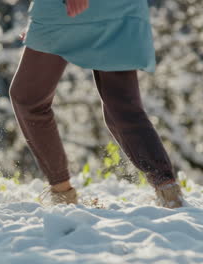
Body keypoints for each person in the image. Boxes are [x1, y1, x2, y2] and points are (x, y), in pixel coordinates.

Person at [9, 0, 183, 208]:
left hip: (73, 8)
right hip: (111, 8)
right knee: (121, 105)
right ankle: (168, 190)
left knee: (28, 97)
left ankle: (63, 194)